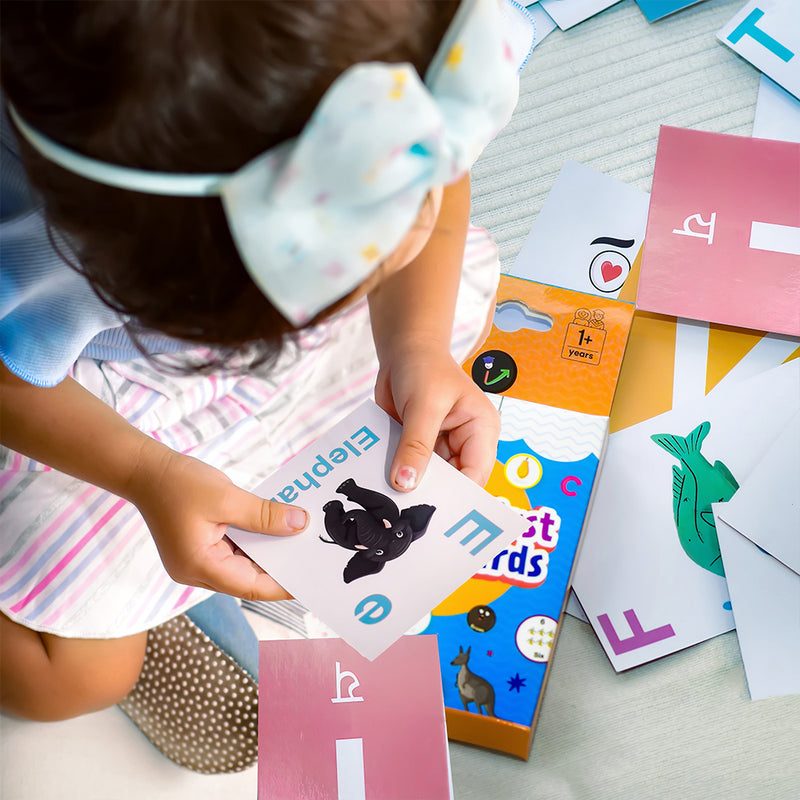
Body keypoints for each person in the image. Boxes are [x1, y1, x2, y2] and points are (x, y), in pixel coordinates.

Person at [0, 0, 532, 772]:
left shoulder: (392, 65)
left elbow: (437, 178)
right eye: (343, 270)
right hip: (73, 396)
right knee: (71, 683)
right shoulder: (36, 247)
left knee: (456, 334)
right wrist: (146, 475)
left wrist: (412, 341)